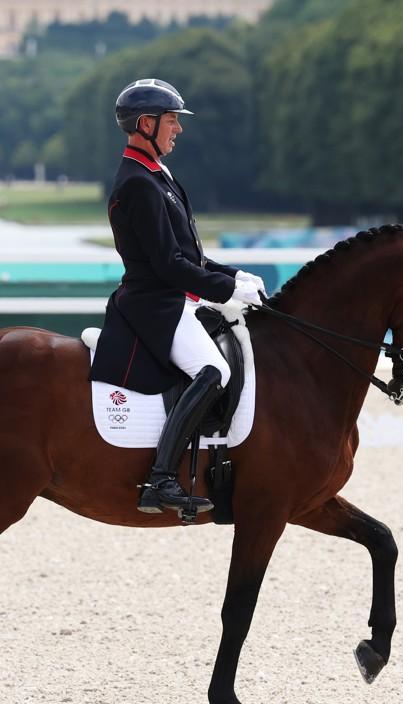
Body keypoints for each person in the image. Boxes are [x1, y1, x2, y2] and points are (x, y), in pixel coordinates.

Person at [97, 78, 267, 515]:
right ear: (146, 124)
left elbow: (192, 256)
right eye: (172, 120)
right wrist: (227, 291)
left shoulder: (159, 176)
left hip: (173, 298)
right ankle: (161, 479)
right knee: (213, 371)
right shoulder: (138, 182)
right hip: (155, 304)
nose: (178, 129)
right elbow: (169, 265)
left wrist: (235, 275)